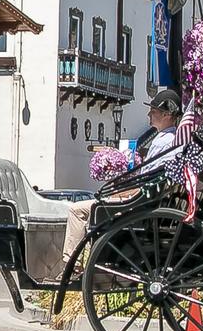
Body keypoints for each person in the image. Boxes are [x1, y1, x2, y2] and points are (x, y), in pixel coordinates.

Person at [61, 88, 184, 260]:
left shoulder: (164, 142)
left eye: (154, 111)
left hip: (139, 204)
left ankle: (70, 264)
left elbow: (147, 181)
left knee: (76, 210)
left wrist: (120, 189)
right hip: (149, 199)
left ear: (166, 115)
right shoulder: (170, 140)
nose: (149, 114)